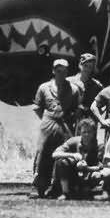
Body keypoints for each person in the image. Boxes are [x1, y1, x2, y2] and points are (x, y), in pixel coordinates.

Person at [31, 58, 82, 198]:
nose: (61, 73)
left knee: (63, 155)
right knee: (42, 154)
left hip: (65, 125)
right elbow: (37, 108)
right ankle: (39, 187)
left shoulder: (74, 89)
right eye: (58, 70)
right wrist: (47, 120)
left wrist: (68, 119)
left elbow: (77, 110)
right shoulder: (43, 87)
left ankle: (59, 187)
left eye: (64, 71)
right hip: (47, 124)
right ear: (53, 71)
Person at [51, 118, 103, 199]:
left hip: (88, 174)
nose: (86, 134)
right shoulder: (73, 141)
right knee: (62, 161)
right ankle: (65, 193)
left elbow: (100, 167)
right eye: (84, 132)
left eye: (89, 132)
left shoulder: (99, 145)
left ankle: (86, 190)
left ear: (94, 132)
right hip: (72, 174)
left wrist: (86, 168)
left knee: (97, 175)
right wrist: (72, 155)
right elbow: (55, 154)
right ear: (80, 132)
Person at [68, 53, 103, 123]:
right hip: (70, 120)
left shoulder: (97, 86)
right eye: (85, 66)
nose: (87, 69)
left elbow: (102, 104)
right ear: (80, 65)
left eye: (90, 67)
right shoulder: (69, 82)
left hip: (89, 123)